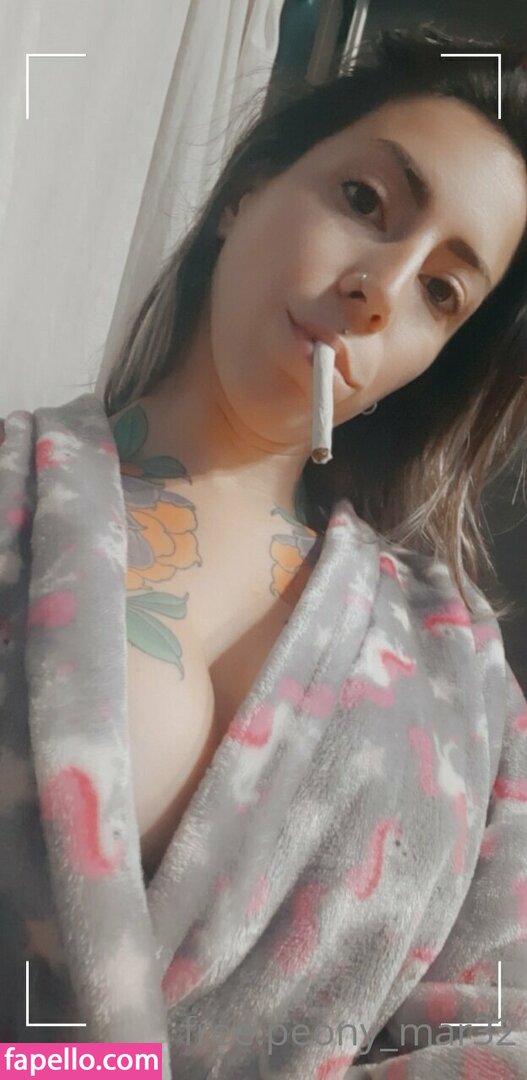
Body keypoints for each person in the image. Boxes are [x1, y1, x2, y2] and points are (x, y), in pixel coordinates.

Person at [1, 23, 527, 1080]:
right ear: (244, 192)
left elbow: (487, 1020)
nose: (382, 286)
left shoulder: (462, 678)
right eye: (365, 201)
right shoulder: (16, 498)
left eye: (441, 293)